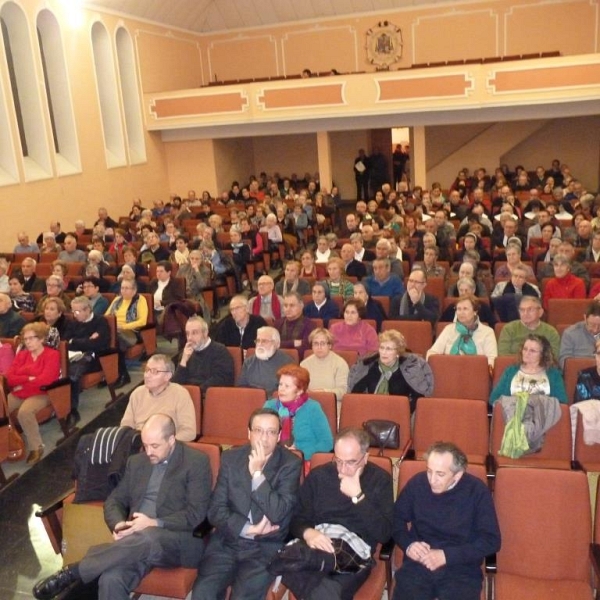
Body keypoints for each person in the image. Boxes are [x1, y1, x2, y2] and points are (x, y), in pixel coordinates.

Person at [33, 414, 211, 600]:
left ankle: (73, 572)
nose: (148, 451)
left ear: (172, 439)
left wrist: (154, 522)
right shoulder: (137, 462)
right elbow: (113, 501)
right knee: (111, 579)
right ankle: (83, 573)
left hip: (176, 541)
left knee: (149, 535)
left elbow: (196, 515)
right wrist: (119, 524)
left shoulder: (195, 462)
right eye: (146, 444)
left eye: (155, 446)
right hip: (135, 542)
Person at [191, 408, 302, 600]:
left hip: (264, 548)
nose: (264, 438)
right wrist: (247, 528)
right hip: (227, 542)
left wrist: (257, 474)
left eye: (271, 432)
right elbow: (215, 510)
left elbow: (277, 513)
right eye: (259, 430)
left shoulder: (290, 464)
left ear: (279, 437)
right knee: (202, 594)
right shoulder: (231, 459)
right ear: (248, 433)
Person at [284, 427, 393, 599]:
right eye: (338, 460)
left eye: (350, 462)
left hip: (354, 557)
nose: (342, 469)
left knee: (325, 591)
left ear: (365, 458)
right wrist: (308, 532)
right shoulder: (319, 476)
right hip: (318, 547)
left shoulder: (380, 480)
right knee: (286, 567)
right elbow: (297, 518)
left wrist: (358, 497)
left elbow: (385, 534)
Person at [392, 441, 501, 600]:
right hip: (419, 564)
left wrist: (447, 556)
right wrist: (408, 544)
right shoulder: (418, 484)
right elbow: (396, 519)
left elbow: (491, 540)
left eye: (440, 474)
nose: (432, 480)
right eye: (429, 471)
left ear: (457, 475)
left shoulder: (476, 491)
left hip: (460, 568)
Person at [6, 322, 60, 464]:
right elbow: (10, 378)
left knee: (24, 412)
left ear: (41, 339)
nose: (27, 342)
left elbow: (46, 380)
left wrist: (22, 381)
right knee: (1, 408)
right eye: (25, 339)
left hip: (42, 393)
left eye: (31, 338)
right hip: (21, 392)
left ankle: (36, 447)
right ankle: (8, 442)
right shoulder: (22, 355)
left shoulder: (52, 355)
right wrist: (29, 378)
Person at [351, 330, 434, 411]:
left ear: (398, 352)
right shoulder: (370, 368)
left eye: (389, 349)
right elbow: (355, 395)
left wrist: (403, 411)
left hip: (399, 414)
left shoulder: (409, 370)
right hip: (370, 411)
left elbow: (419, 398)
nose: (383, 352)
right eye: (381, 348)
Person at [264, 364, 333, 461]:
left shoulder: (313, 408)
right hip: (274, 459)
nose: (281, 389)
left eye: (287, 386)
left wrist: (300, 453)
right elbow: (261, 436)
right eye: (280, 384)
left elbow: (326, 442)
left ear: (299, 391)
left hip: (304, 460)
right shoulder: (270, 406)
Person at [121, 354, 197, 441]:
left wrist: (165, 445)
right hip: (138, 443)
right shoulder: (137, 393)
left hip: (167, 447)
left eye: (154, 371)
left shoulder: (180, 394)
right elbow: (126, 426)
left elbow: (189, 432)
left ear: (167, 376)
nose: (147, 375)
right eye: (146, 370)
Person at [63, 296, 111, 425]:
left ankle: (72, 411)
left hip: (95, 358)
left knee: (72, 375)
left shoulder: (100, 321)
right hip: (73, 355)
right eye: (73, 311)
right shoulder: (73, 323)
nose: (75, 314)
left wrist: (76, 341)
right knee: (59, 368)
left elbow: (98, 344)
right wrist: (86, 341)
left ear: (88, 310)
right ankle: (60, 405)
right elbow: (66, 342)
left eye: (77, 311)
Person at [490, 334, 568, 405]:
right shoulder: (510, 371)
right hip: (513, 415)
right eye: (525, 349)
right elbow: (494, 399)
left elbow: (561, 401)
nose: (527, 353)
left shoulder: (553, 374)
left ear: (542, 354)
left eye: (532, 351)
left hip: (543, 417)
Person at [427, 295, 497, 367]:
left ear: (475, 311)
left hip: (476, 373)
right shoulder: (448, 329)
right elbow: (431, 353)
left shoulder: (487, 332)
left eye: (465, 309)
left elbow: (492, 359)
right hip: (450, 371)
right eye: (459, 309)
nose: (461, 312)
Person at [172, 315, 234, 394]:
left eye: (194, 333)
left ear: (205, 333)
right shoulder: (186, 353)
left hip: (207, 397)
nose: (190, 338)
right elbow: (175, 384)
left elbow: (221, 380)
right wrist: (183, 361)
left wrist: (195, 392)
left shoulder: (220, 351)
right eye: (187, 334)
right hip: (187, 396)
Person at [105, 280, 149, 388]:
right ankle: (114, 374)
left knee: (114, 342)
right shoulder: (117, 299)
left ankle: (122, 375)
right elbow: (106, 316)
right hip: (115, 330)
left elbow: (142, 321)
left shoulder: (140, 300)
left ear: (134, 290)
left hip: (132, 332)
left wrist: (123, 326)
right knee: (111, 342)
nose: (123, 291)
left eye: (127, 288)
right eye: (122, 288)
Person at [238, 326, 295, 396]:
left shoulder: (287, 363)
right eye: (258, 341)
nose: (260, 344)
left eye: (264, 341)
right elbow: (241, 387)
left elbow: (288, 391)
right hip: (251, 400)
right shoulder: (249, 362)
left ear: (277, 344)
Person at [300, 328, 349, 401]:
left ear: (329, 345)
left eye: (322, 343)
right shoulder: (304, 364)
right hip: (310, 404)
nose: (319, 347)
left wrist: (324, 392)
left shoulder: (340, 363)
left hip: (333, 405)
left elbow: (343, 391)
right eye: (316, 343)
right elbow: (299, 389)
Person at [274, 292, 316, 359]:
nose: (288, 309)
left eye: (292, 305)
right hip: (277, 360)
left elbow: (305, 349)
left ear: (301, 306)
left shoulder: (310, 325)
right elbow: (272, 345)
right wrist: (293, 343)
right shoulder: (277, 323)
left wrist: (281, 344)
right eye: (285, 305)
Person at [559, 301, 600, 368]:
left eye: (599, 326)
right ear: (585, 318)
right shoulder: (570, 333)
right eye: (592, 325)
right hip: (580, 373)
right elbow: (564, 361)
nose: (596, 329)